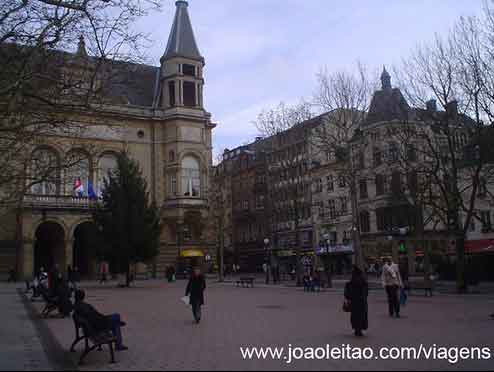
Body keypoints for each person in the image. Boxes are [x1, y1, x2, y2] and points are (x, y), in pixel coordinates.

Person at [344, 266, 369, 337]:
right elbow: (366, 292)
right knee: (362, 316)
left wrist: (349, 297)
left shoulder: (351, 282)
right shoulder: (363, 281)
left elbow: (347, 293)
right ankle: (360, 329)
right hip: (362, 301)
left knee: (355, 316)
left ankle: (356, 329)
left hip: (354, 301)